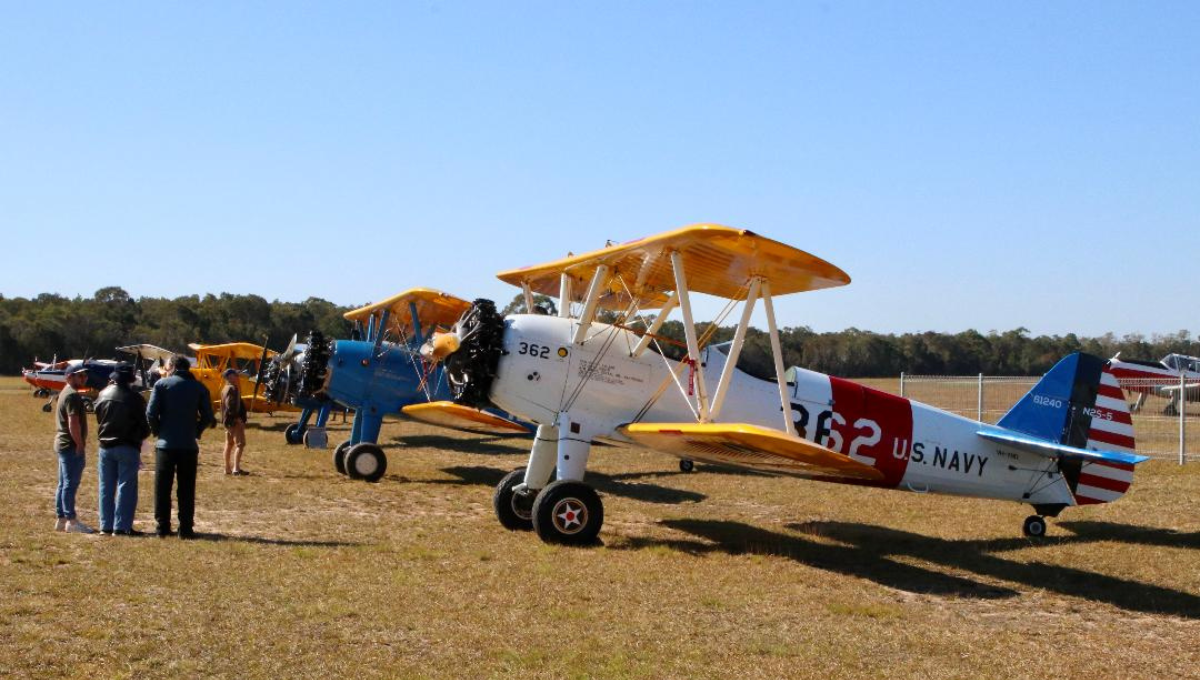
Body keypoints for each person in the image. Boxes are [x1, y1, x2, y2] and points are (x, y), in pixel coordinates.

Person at [146, 355, 215, 539]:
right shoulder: (200, 387)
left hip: (165, 445)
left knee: (162, 487)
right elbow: (208, 416)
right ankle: (185, 528)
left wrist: (158, 431)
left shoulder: (162, 385)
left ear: (172, 366)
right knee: (186, 488)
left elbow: (151, 413)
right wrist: (196, 432)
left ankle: (162, 527)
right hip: (188, 445)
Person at [94, 363, 151, 536]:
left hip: (105, 447)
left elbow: (99, 417)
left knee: (106, 487)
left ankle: (106, 525)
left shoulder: (102, 394)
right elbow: (145, 426)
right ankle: (122, 526)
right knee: (126, 486)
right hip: (127, 446)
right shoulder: (135, 398)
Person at [54, 364, 94, 534]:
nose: (83, 378)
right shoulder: (72, 396)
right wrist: (79, 444)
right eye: (80, 376)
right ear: (69, 377)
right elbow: (73, 422)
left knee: (63, 484)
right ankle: (71, 520)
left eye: (85, 375)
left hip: (62, 444)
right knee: (70, 484)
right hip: (70, 446)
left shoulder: (65, 392)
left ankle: (61, 519)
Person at [219, 368, 249, 475]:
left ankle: (227, 468)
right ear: (230, 377)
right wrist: (237, 418)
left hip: (227, 421)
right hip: (234, 421)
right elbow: (231, 405)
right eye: (235, 375)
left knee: (229, 444)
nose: (237, 377)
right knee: (240, 444)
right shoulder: (233, 389)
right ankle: (236, 468)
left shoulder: (224, 388)